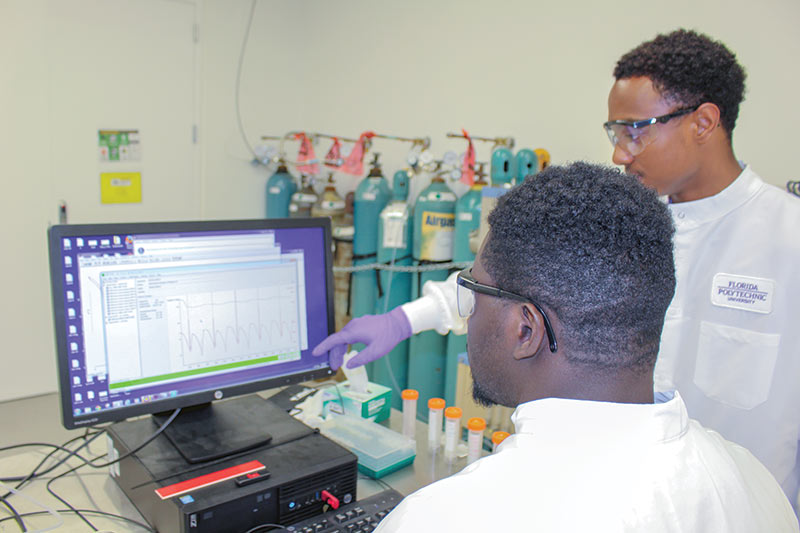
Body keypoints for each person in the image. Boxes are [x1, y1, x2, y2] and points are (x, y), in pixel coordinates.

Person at [312, 29, 800, 511]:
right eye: (614, 132)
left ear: (704, 121)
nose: (619, 153)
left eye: (636, 129)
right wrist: (403, 320)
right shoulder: (627, 220)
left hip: (731, 505)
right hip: (594, 500)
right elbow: (508, 282)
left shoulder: (788, 238)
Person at [372, 162, 798, 532]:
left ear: (526, 331)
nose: (468, 314)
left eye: (472, 292)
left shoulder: (439, 519)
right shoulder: (754, 482)